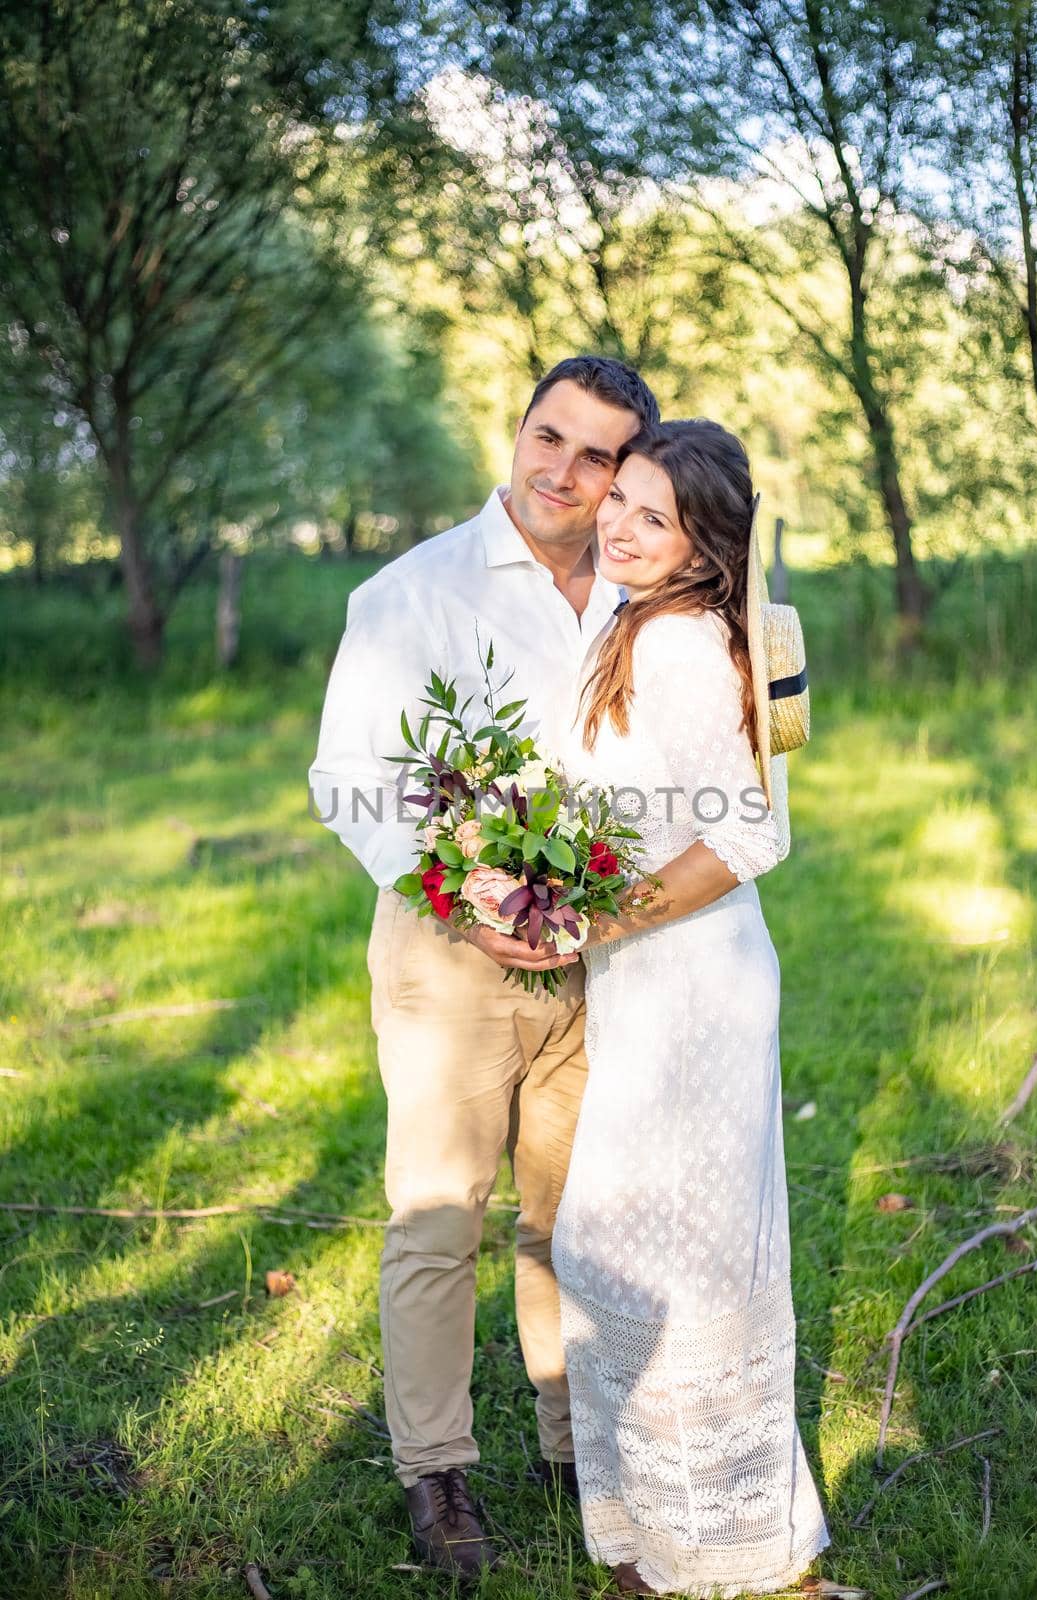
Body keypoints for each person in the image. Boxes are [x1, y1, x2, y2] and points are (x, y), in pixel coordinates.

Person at [308, 356, 661, 1578]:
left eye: (596, 455)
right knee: (439, 1212)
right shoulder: (411, 592)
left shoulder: (637, 592)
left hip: (595, 955)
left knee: (565, 1219)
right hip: (448, 955)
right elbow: (349, 777)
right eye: (546, 436)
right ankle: (437, 1472)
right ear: (515, 431)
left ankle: (573, 1446)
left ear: (628, 473)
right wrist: (462, 901)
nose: (560, 472)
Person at [545, 420, 831, 1595]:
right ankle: (652, 1530)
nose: (616, 521)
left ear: (703, 544)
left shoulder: (677, 645)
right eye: (621, 498)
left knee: (678, 1262)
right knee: (616, 1249)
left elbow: (751, 829)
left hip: (695, 989)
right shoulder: (628, 626)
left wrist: (593, 921)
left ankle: (720, 1542)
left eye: (651, 516)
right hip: (647, 980)